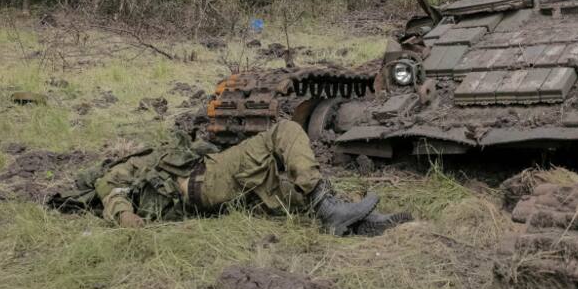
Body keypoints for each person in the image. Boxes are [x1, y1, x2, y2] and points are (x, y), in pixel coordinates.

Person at [55, 119, 409, 236]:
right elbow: (110, 188)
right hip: (207, 181)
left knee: (299, 200)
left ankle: (361, 222)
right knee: (284, 130)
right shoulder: (121, 170)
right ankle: (330, 207)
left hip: (220, 193)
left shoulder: (150, 161)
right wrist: (125, 217)